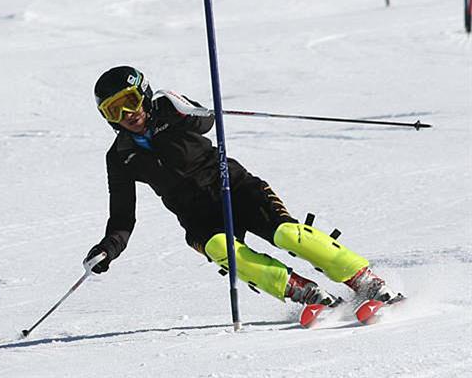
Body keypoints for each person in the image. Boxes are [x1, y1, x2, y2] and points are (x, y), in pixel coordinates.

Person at [85, 65, 402, 308]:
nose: (128, 114)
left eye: (130, 101)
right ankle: (304, 292)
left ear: (144, 93)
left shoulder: (170, 110)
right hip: (197, 217)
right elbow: (122, 218)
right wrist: (107, 250)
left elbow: (206, 122)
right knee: (222, 249)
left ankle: (365, 280)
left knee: (287, 234)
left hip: (233, 187)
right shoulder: (120, 156)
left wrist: (183, 106)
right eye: (115, 110)